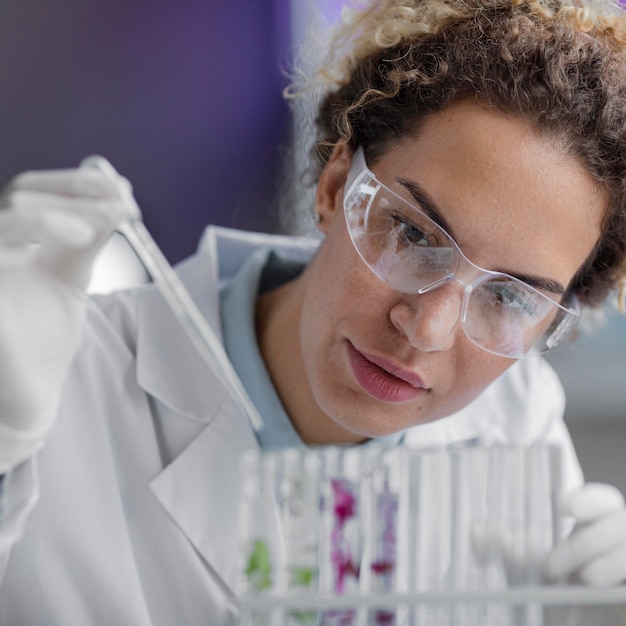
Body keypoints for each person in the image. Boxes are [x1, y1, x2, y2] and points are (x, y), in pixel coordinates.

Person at [0, 0, 626, 623]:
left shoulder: (515, 422)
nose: (427, 330)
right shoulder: (64, 386)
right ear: (333, 189)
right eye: (412, 236)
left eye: (511, 295)